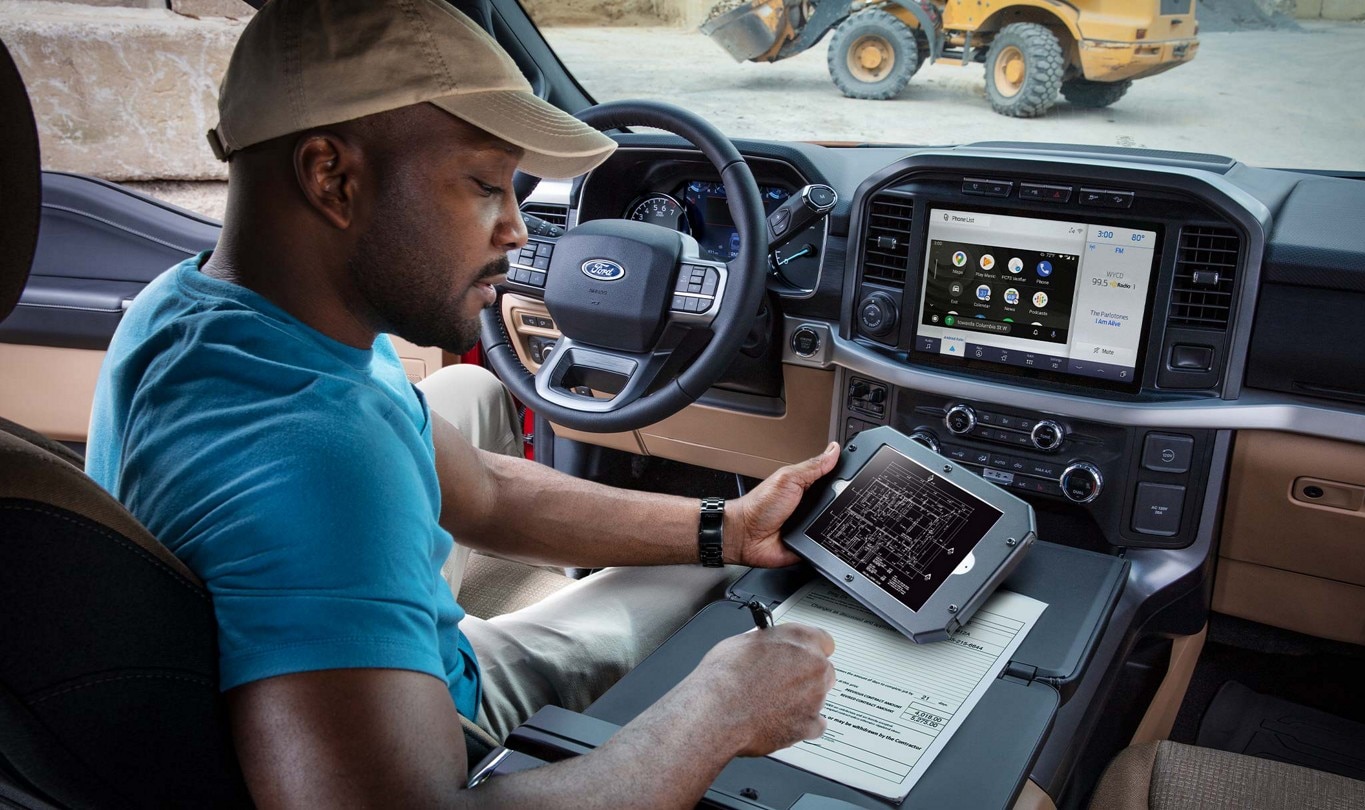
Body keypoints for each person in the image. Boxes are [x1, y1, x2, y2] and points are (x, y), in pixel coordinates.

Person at [84, 0, 838, 806]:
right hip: (446, 722)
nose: (518, 229)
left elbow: (478, 489)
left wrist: (727, 527)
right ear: (331, 177)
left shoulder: (201, 305)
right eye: (484, 185)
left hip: (381, 657)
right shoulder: (321, 461)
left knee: (485, 401)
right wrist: (718, 714)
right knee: (718, 609)